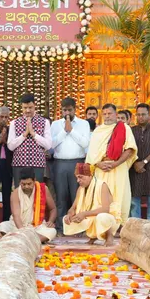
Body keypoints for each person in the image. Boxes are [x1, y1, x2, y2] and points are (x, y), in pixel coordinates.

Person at [84, 103, 137, 225]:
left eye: (110, 113)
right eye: (105, 114)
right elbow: (91, 154)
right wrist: (98, 164)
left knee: (119, 196)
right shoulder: (98, 131)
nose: (107, 116)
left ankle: (119, 226)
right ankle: (100, 227)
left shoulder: (124, 128)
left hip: (118, 168)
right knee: (99, 199)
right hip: (101, 170)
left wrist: (116, 163)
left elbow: (130, 149)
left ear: (116, 114)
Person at [50, 97, 91, 231]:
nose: (67, 113)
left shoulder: (84, 124)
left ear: (75, 109)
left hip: (78, 162)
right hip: (60, 163)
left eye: (70, 110)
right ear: (61, 110)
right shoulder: (56, 124)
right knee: (61, 196)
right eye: (64, 110)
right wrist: (65, 131)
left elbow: (85, 143)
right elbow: (51, 144)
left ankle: (78, 228)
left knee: (77, 196)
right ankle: (62, 228)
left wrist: (72, 131)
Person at [62, 163, 118, 246]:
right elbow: (73, 208)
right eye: (77, 177)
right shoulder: (80, 189)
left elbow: (106, 209)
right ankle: (93, 236)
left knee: (102, 217)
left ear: (90, 175)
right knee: (65, 219)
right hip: (90, 218)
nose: (78, 180)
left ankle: (109, 236)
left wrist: (84, 214)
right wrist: (69, 215)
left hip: (108, 219)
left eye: (81, 177)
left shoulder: (102, 185)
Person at [0, 170, 58, 244]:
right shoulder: (15, 193)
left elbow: (53, 209)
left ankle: (19, 240)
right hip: (18, 226)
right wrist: (23, 232)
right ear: (20, 182)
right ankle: (32, 241)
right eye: (23, 184)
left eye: (29, 184)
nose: (26, 187)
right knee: (3, 226)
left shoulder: (43, 189)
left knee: (52, 231)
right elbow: (16, 216)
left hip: (37, 226)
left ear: (34, 181)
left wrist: (51, 221)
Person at [8, 93, 51, 182]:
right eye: (25, 108)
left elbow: (48, 145)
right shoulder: (14, 123)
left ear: (35, 105)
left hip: (37, 164)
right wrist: (24, 135)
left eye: (30, 107)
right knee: (19, 192)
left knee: (37, 192)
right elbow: (10, 146)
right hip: (19, 164)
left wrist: (33, 134)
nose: (27, 110)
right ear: (21, 107)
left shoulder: (44, 122)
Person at [0, 105, 14, 230]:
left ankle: (6, 225)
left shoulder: (12, 130)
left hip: (8, 165)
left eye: (6, 117)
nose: (4, 119)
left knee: (7, 195)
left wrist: (6, 141)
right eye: (2, 117)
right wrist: (0, 140)